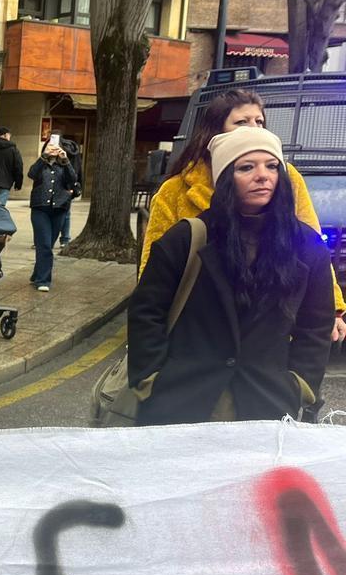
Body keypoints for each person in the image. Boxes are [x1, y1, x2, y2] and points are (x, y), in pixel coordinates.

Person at [128, 126, 334, 425]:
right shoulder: (187, 239)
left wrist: (300, 386)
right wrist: (150, 381)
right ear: (225, 178)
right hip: (182, 401)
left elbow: (316, 324)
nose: (262, 176)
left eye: (272, 166)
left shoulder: (306, 245)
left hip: (265, 404)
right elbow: (146, 312)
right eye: (246, 167)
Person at [140, 88, 346, 341]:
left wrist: (332, 308)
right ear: (215, 131)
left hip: (269, 324)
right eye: (242, 122)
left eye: (259, 121)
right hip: (200, 326)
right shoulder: (177, 189)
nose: (254, 129)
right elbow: (154, 268)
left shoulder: (287, 178)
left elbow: (312, 249)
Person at [27, 137, 77, 292]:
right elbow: (31, 174)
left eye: (56, 146)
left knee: (48, 245)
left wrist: (65, 160)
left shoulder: (64, 165)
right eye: (50, 145)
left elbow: (73, 179)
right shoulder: (41, 164)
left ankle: (37, 273)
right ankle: (43, 281)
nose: (53, 148)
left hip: (59, 208)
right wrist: (44, 157)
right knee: (43, 245)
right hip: (40, 208)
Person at [54, 131, 82, 246]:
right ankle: (65, 239)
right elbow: (78, 168)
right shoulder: (74, 150)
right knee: (66, 213)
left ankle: (63, 238)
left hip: (60, 185)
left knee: (63, 213)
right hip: (68, 185)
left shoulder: (54, 149)